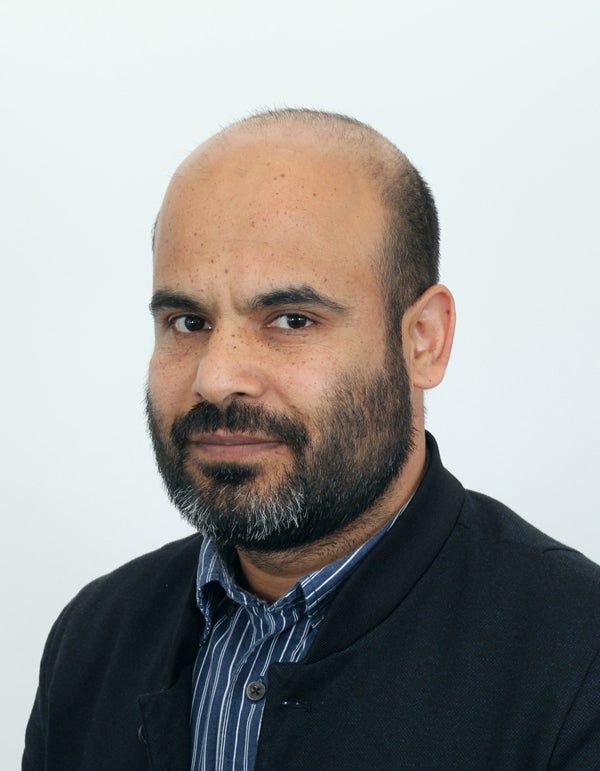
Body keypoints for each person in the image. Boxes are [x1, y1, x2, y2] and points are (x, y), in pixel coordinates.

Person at [23, 109, 600, 770]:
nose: (217, 378)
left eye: (291, 319)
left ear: (423, 340)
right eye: (187, 321)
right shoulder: (95, 637)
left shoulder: (577, 661)